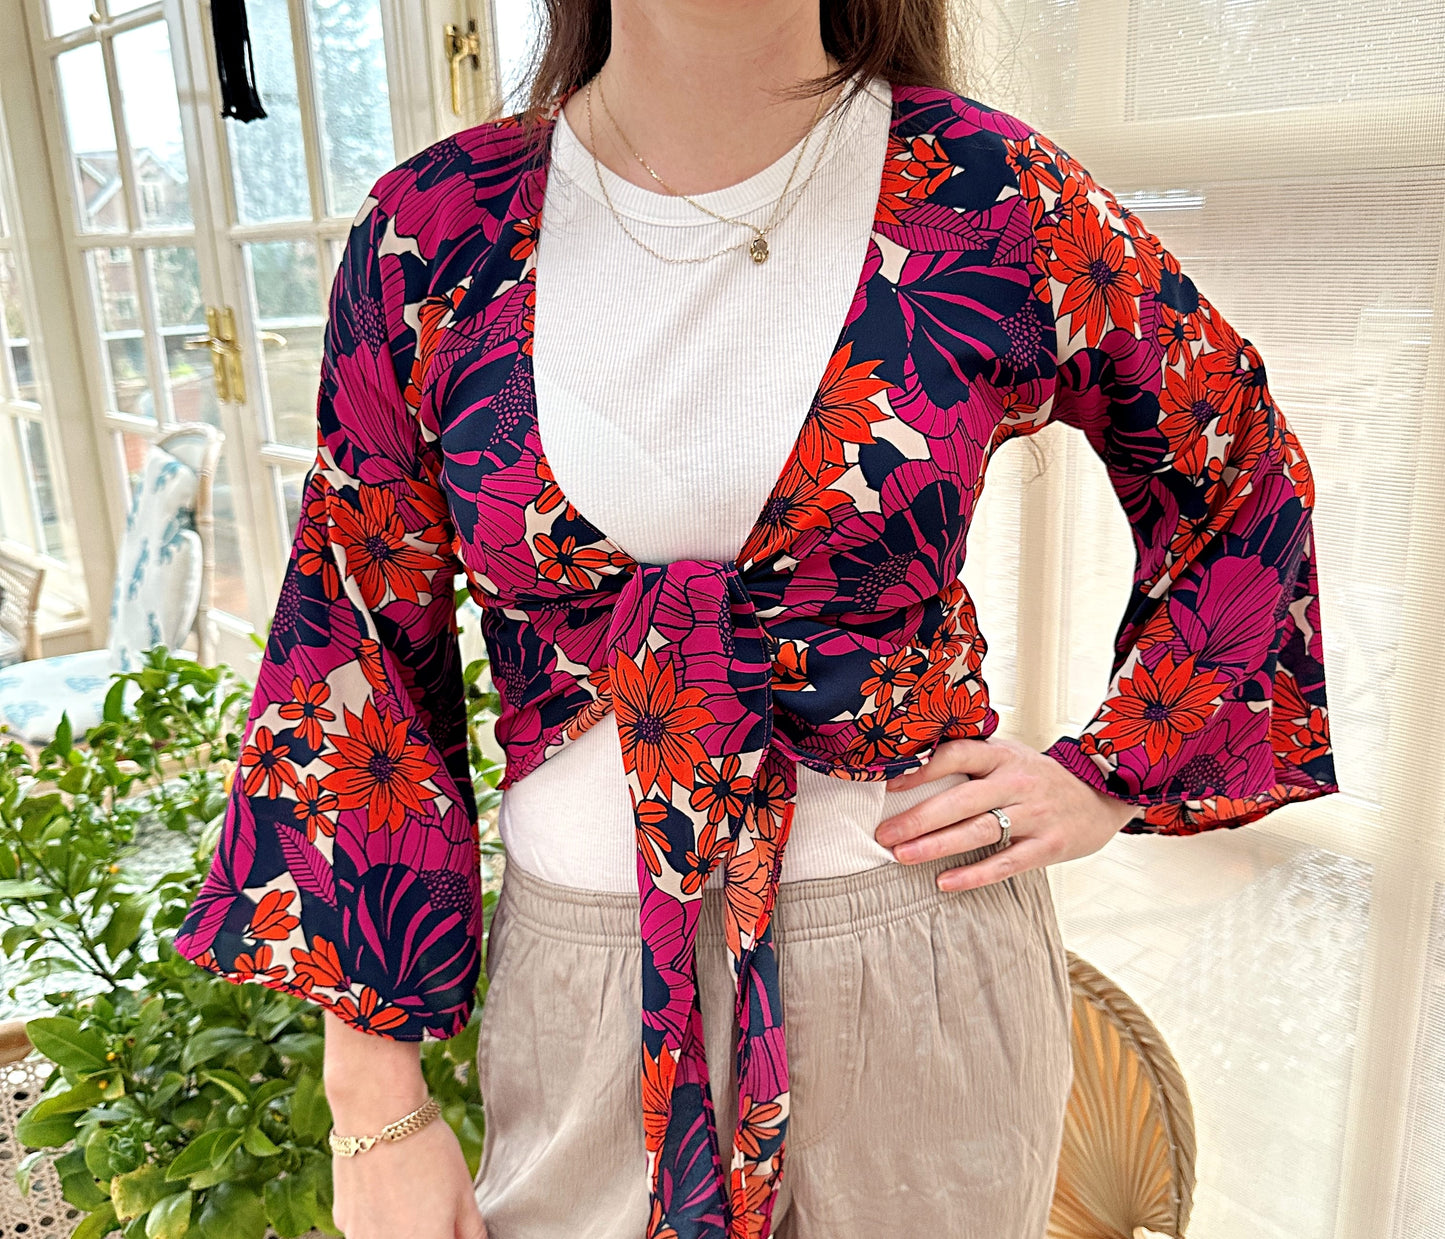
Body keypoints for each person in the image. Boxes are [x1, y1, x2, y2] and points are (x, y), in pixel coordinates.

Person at [174, 2, 1339, 1237]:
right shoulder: (433, 230)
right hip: (583, 986)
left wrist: (1108, 774)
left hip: (918, 970)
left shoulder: (994, 196)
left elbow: (1238, 469)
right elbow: (352, 641)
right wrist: (373, 1102)